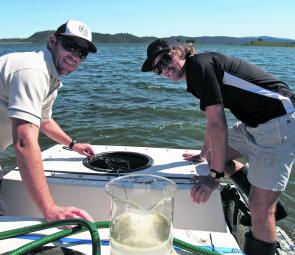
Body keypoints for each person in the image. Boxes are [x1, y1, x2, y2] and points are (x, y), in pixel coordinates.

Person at [141, 39, 295, 255]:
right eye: (158, 68)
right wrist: (204, 154)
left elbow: (218, 125)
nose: (164, 68)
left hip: (279, 122)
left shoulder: (200, 67)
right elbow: (213, 121)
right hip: (254, 122)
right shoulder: (196, 74)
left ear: (181, 51)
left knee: (260, 209)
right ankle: (272, 206)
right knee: (216, 156)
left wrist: (214, 178)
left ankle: (265, 208)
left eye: (166, 59)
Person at [0, 20, 97, 222]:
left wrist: (73, 145)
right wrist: (50, 209)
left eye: (82, 52)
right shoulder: (33, 71)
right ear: (52, 41)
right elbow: (24, 142)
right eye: (71, 46)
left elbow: (44, 121)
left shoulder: (49, 76)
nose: (75, 56)